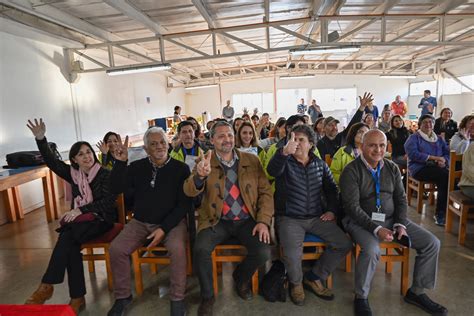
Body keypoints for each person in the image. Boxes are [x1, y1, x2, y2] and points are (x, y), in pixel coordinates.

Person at [340, 129, 448, 316]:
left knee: (432, 243)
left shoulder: (391, 168)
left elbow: (400, 199)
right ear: (362, 146)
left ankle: (416, 292)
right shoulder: (351, 170)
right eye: (372, 145)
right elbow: (352, 208)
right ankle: (361, 297)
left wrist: (400, 225)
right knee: (372, 249)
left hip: (391, 220)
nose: (378, 150)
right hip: (360, 222)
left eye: (382, 145)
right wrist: (377, 229)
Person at [25, 119, 117, 314]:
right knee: (70, 242)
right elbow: (52, 162)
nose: (87, 157)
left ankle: (48, 286)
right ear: (74, 160)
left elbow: (108, 203)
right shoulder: (74, 175)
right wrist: (41, 139)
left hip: (102, 220)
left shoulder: (105, 174)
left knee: (67, 236)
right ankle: (76, 298)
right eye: (81, 154)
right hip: (80, 224)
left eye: (89, 152)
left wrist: (81, 210)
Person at [183, 121, 273, 316]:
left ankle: (240, 278)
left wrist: (263, 221)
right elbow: (189, 191)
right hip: (217, 221)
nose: (227, 140)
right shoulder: (203, 162)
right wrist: (199, 177)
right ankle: (207, 296)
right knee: (200, 249)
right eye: (221, 136)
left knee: (264, 251)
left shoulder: (251, 160)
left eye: (230, 135)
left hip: (247, 219)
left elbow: (266, 192)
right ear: (212, 140)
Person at [107, 127, 192, 316]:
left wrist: (164, 228)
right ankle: (123, 297)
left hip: (172, 223)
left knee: (177, 249)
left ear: (168, 144)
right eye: (153, 144)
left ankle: (177, 298)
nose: (159, 146)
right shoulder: (137, 168)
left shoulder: (181, 169)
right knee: (116, 249)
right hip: (140, 222)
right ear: (146, 149)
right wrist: (120, 163)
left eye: (162, 142)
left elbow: (183, 206)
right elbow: (115, 188)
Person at [267, 125, 352, 306]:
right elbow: (271, 171)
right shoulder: (285, 162)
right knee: (292, 252)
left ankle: (314, 277)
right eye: (293, 139)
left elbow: (332, 189)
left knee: (343, 243)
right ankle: (296, 283)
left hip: (315, 217)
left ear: (311, 145)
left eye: (301, 140)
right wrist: (283, 153)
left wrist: (331, 210)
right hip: (290, 218)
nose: (296, 143)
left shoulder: (320, 165)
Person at [405, 114, 450, 226]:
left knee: (446, 177)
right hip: (419, 168)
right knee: (445, 176)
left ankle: (445, 209)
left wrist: (444, 160)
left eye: (430, 122)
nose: (428, 124)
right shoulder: (414, 138)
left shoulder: (439, 138)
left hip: (438, 168)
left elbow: (447, 153)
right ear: (420, 124)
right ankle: (440, 213)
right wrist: (434, 158)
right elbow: (413, 154)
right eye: (425, 122)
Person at [317, 92, 372, 159]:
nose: (334, 127)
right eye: (330, 125)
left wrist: (362, 107)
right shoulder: (320, 144)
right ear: (324, 128)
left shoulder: (342, 136)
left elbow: (353, 124)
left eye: (335, 125)